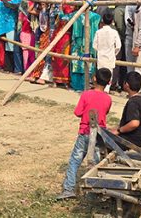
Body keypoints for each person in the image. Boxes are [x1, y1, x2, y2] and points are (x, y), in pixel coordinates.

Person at [57, 68, 113, 200]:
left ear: (94, 78)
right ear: (109, 82)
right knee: (96, 163)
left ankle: (69, 189)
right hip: (99, 135)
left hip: (85, 132)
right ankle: (93, 192)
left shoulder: (86, 95)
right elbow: (105, 112)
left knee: (75, 161)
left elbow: (77, 112)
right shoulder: (108, 98)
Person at [111, 71, 141, 147]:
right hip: (138, 138)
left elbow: (134, 123)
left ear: (127, 85)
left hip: (130, 140)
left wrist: (119, 130)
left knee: (100, 141)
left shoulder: (133, 102)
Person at [93, 13, 121, 93]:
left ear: (102, 20)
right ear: (112, 21)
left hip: (101, 57)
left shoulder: (98, 32)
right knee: (109, 75)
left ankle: (100, 90)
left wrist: (100, 51)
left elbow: (94, 45)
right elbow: (118, 46)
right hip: (110, 57)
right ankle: (106, 90)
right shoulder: (114, 32)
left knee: (100, 75)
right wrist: (114, 53)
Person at [111, 0, 128, 90]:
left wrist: (122, 36)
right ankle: (122, 83)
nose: (114, 0)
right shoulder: (126, 8)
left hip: (120, 39)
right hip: (124, 38)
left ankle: (115, 83)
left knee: (117, 62)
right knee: (123, 63)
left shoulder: (118, 10)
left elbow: (120, 27)